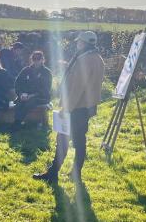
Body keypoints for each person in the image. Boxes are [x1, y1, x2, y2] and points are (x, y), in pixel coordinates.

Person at [34, 31, 105, 184]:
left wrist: (66, 108)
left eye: (79, 42)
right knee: (80, 141)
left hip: (74, 107)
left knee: (62, 140)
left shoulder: (84, 59)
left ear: (84, 43)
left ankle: (53, 174)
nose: (77, 44)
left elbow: (77, 87)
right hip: (86, 107)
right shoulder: (98, 58)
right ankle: (75, 173)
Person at [13, 51, 53, 128]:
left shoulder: (46, 72)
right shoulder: (26, 70)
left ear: (43, 60)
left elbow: (46, 88)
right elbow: (18, 83)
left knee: (30, 102)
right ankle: (17, 121)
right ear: (32, 59)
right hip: (25, 95)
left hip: (40, 97)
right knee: (19, 102)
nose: (36, 60)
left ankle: (17, 123)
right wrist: (21, 93)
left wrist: (32, 95)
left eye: (38, 58)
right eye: (34, 58)